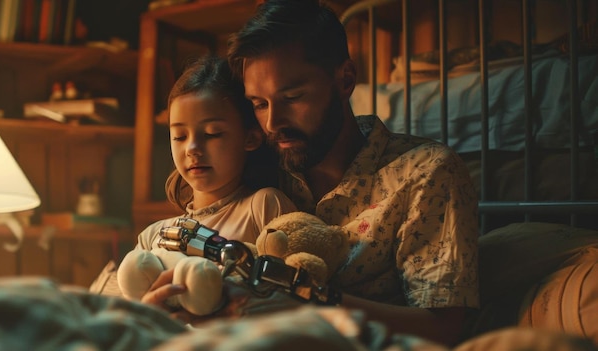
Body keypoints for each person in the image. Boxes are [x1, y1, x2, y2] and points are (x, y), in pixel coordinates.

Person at [143, 0, 479, 346]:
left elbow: (443, 328)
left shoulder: (425, 173)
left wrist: (304, 303)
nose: (273, 123)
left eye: (293, 97)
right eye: (259, 104)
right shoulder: (262, 163)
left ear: (345, 79)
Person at [122, 55, 297, 301]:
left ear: (250, 138)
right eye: (180, 136)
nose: (192, 148)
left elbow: (297, 295)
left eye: (212, 133)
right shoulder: (155, 236)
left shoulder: (263, 206)